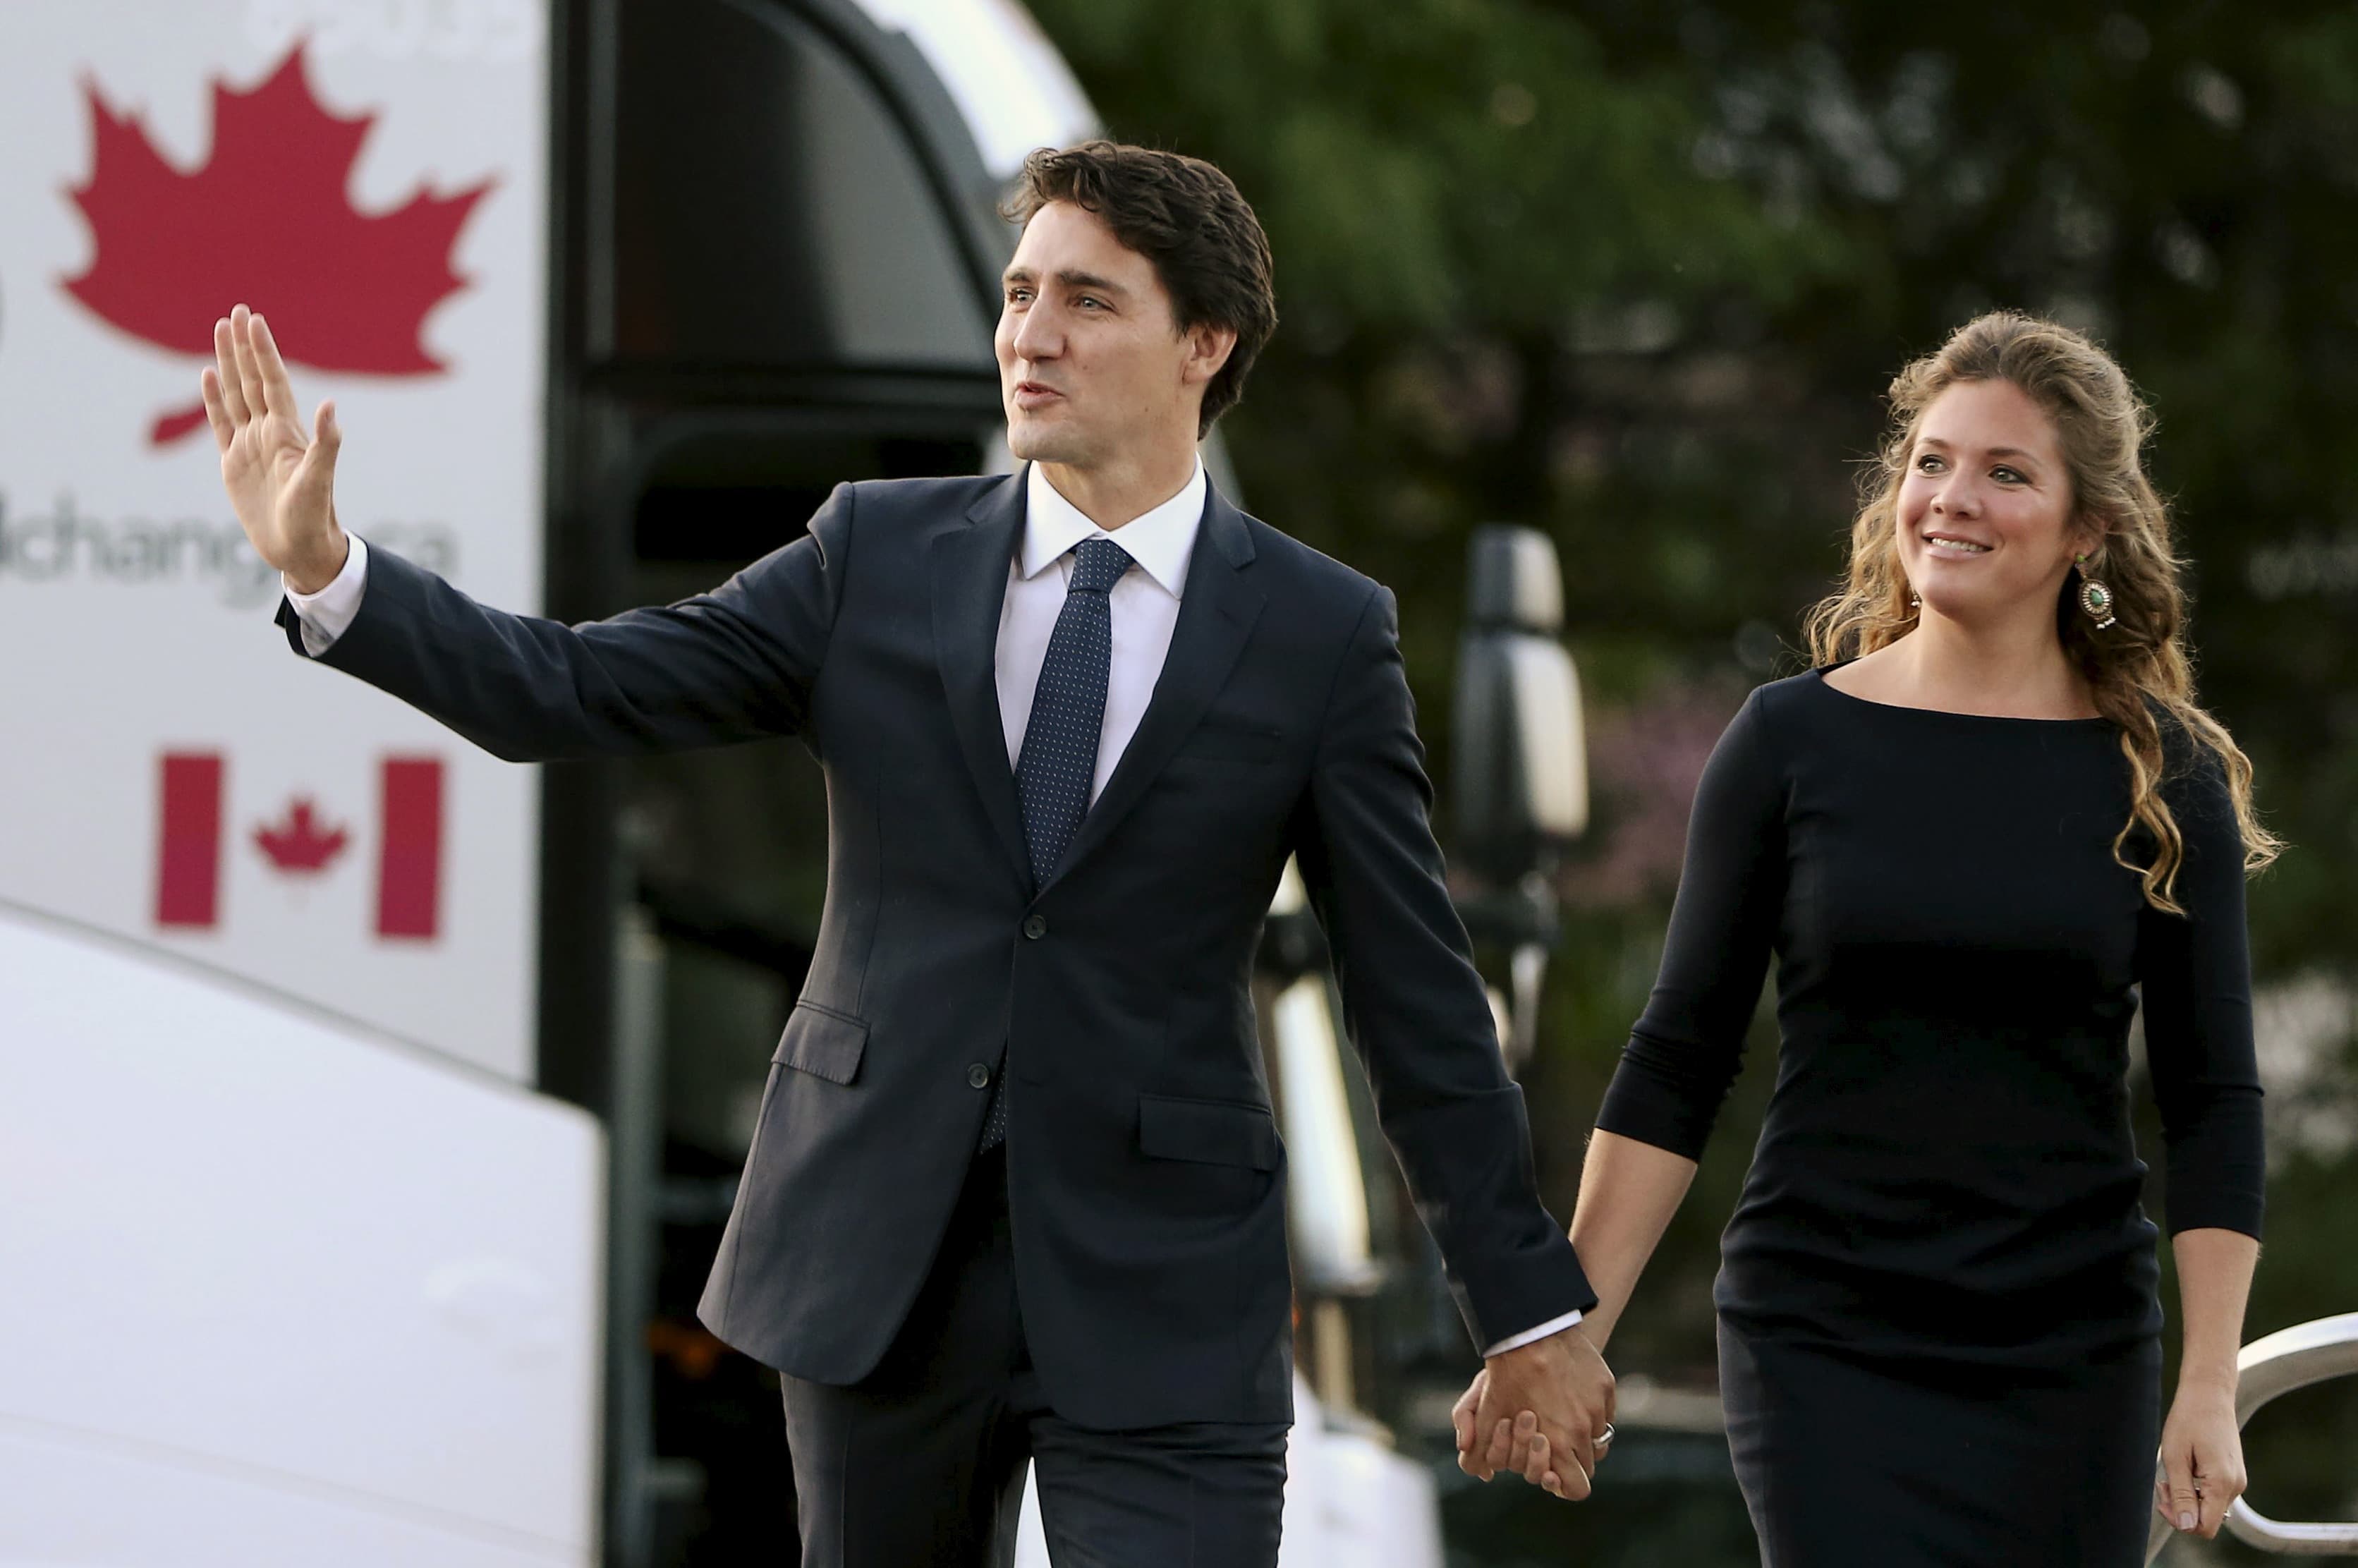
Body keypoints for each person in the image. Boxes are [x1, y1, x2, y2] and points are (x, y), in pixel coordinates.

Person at [200, 141, 1615, 1567]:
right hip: (876, 1254)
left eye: (1085, 299)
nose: (1030, 333)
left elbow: (1412, 992)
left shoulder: (1320, 632)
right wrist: (333, 575)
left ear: (1204, 342)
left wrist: (1526, 1309)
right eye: (1017, 293)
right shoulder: (872, 554)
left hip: (1163, 1283)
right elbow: (567, 690)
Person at [1454, 311, 2273, 1563]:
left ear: (2088, 528)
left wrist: (2209, 1382)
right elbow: (1679, 1060)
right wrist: (1564, 1329)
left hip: (2072, 1356)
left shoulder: (2163, 780)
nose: (1953, 498)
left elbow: (2214, 1103)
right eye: (1931, 462)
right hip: (1824, 1336)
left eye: (2007, 473)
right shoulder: (1790, 742)